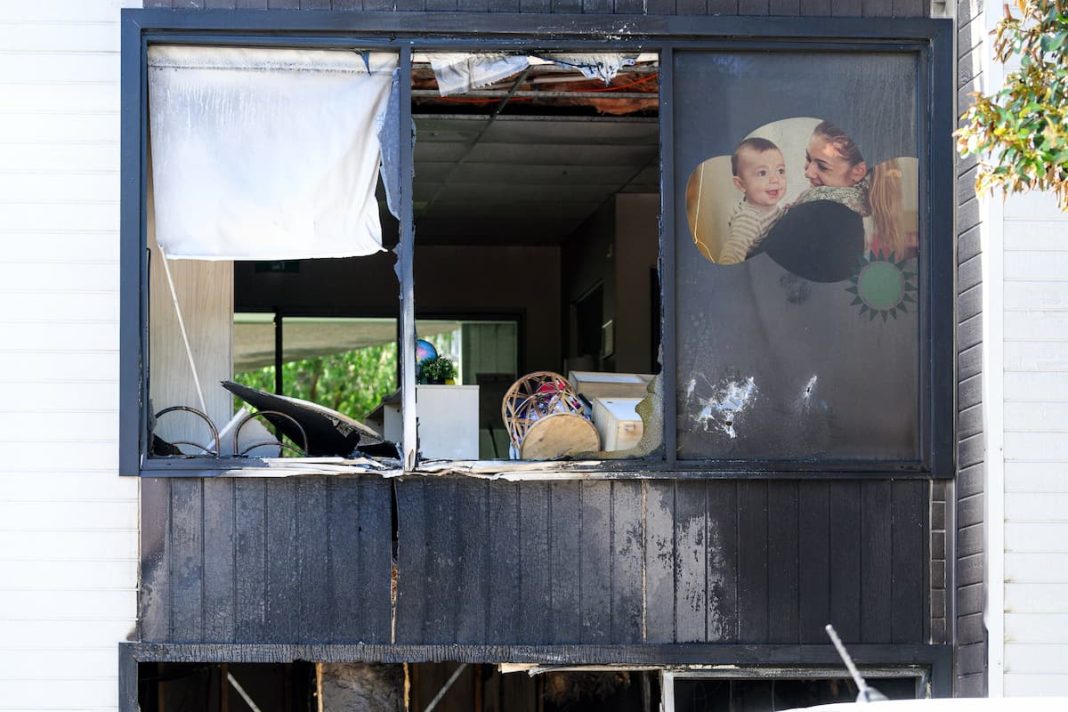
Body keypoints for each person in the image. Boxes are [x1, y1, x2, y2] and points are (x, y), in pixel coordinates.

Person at [761, 120, 907, 282]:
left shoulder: (817, 214)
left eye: (822, 166)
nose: (808, 172)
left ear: (858, 172)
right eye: (808, 159)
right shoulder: (852, 216)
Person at [719, 137, 787, 265]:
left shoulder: (767, 206)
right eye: (762, 173)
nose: (775, 179)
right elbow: (734, 249)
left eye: (780, 171)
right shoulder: (749, 218)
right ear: (741, 185)